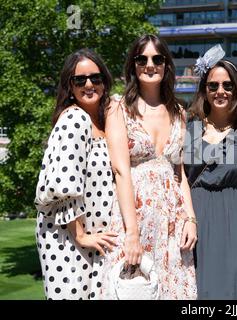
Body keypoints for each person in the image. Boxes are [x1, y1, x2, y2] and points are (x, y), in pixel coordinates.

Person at [100, 34, 197, 300]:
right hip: (134, 217)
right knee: (132, 290)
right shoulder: (118, 108)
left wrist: (190, 218)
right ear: (133, 65)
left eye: (157, 58)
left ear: (166, 65)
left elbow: (180, 174)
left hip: (172, 223)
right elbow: (120, 171)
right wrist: (132, 234)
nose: (149, 64)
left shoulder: (179, 111)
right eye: (141, 59)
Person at [35, 48, 117, 300]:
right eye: (80, 80)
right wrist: (80, 234)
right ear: (69, 86)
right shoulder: (75, 118)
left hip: (95, 239)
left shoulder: (106, 121)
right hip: (68, 236)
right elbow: (64, 180)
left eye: (96, 78)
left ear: (104, 81)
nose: (89, 84)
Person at [184, 45, 237, 299]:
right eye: (213, 85)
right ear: (204, 90)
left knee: (234, 289)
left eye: (228, 86)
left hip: (236, 223)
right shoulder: (190, 128)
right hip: (197, 220)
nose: (220, 91)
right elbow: (179, 178)